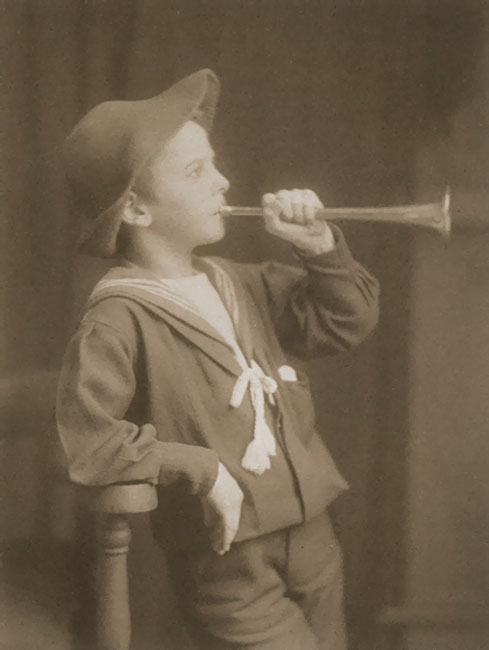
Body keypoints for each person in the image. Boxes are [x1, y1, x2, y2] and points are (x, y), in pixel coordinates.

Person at [57, 68, 379, 650]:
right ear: (134, 210)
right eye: (196, 171)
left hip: (313, 534)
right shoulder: (118, 315)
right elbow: (88, 444)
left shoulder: (240, 283)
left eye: (215, 163)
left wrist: (320, 250)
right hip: (228, 561)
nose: (224, 182)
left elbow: (345, 323)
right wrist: (201, 469)